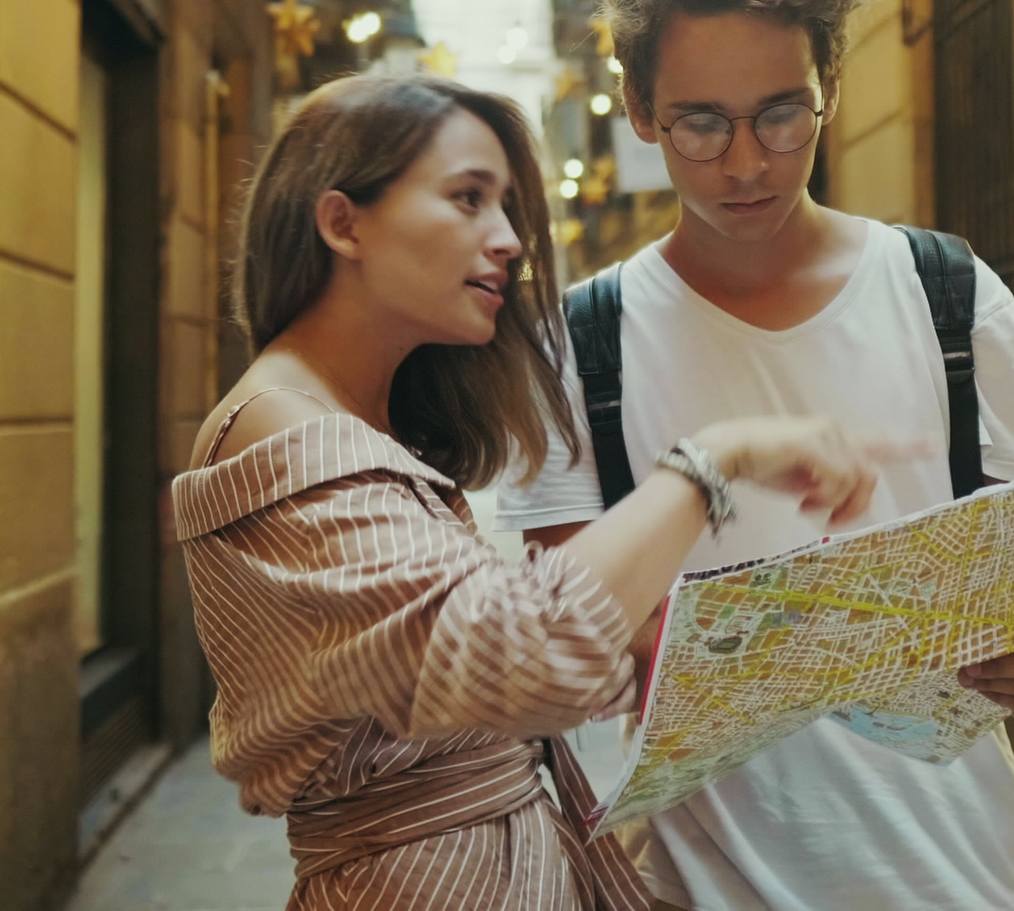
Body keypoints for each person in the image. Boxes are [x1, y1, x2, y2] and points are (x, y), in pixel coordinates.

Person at [498, 0, 1014, 911]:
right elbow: (558, 661)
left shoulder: (950, 298)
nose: (745, 162)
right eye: (698, 123)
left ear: (829, 82)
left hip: (983, 882)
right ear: (638, 108)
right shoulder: (574, 349)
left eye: (781, 113)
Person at [172, 74, 907, 911]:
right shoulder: (285, 427)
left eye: (509, 206)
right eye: (469, 198)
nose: (511, 239)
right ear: (343, 222)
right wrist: (713, 460)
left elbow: (457, 674)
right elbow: (518, 654)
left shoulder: (343, 422)